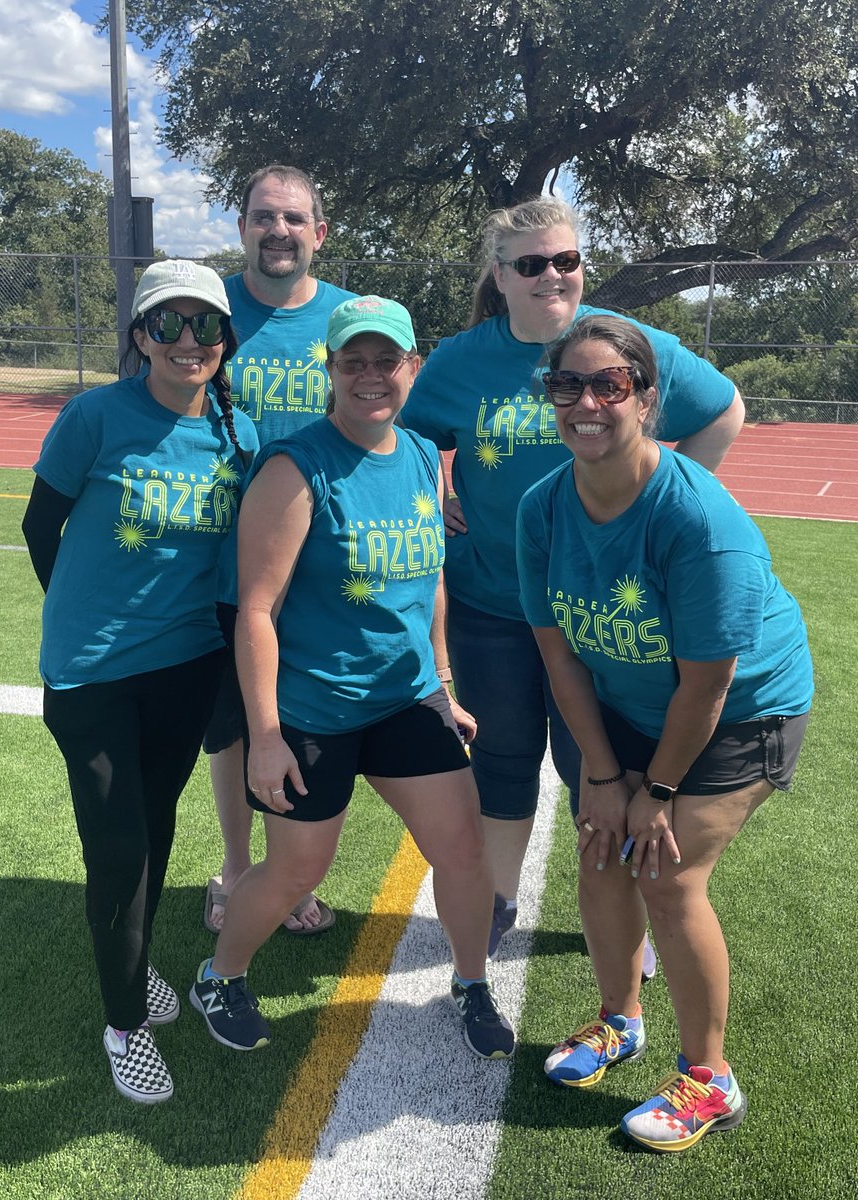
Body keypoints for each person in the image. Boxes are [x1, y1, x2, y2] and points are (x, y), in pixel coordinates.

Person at [401, 197, 746, 969]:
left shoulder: (624, 343)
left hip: (597, 614)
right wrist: (438, 495)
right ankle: (498, 902)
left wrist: (658, 506)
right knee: (503, 756)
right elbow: (408, 442)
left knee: (609, 765)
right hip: (492, 602)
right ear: (501, 275)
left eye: (567, 259)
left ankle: (633, 915)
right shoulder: (461, 359)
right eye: (532, 264)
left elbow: (725, 409)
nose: (554, 275)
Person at [188, 296, 516, 1061]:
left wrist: (441, 677)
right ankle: (221, 974)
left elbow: (430, 578)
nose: (371, 375)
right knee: (299, 866)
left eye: (386, 360)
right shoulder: (296, 467)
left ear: (412, 366)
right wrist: (265, 737)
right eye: (353, 361)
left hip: (405, 697)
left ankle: (470, 983)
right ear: (330, 369)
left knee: (465, 849)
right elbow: (257, 612)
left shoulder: (420, 456)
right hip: (314, 710)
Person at [516, 314, 812, 1150]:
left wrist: (660, 791)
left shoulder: (697, 522)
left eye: (608, 383)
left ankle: (709, 1079)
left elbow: (709, 682)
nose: (585, 402)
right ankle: (619, 1019)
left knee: (666, 872)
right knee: (600, 843)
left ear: (646, 398)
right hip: (628, 702)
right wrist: (606, 781)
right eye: (567, 384)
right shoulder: (543, 506)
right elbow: (558, 654)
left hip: (743, 710)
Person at [22, 260, 258, 1105]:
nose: (187, 341)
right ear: (139, 337)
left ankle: (136, 968)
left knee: (153, 831)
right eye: (168, 324)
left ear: (226, 342)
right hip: (91, 676)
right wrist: (89, 615)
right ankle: (123, 1021)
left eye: (204, 325)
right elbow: (40, 525)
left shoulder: (241, 434)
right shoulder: (95, 416)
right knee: (117, 848)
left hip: (187, 668)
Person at [203, 164, 356, 937]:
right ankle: (237, 869)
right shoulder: (206, 311)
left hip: (324, 568)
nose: (279, 232)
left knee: (297, 721)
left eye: (295, 219)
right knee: (233, 727)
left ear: (318, 233)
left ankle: (286, 870)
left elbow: (390, 417)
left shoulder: (348, 318)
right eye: (264, 217)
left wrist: (441, 495)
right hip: (226, 562)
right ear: (242, 227)